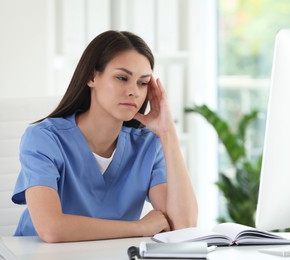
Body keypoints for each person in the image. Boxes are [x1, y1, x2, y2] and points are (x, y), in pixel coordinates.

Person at [11, 30, 198, 243]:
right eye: (122, 78)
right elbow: (51, 228)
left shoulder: (148, 145)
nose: (134, 92)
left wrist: (168, 133)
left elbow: (183, 226)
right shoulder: (44, 138)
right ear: (92, 77)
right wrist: (138, 227)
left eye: (142, 83)